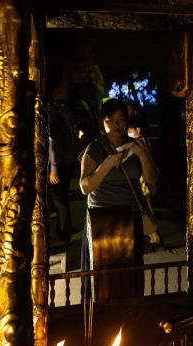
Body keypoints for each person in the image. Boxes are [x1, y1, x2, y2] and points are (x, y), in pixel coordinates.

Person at [80, 99, 158, 300]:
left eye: (121, 119)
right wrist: (106, 164)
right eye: (110, 120)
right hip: (102, 218)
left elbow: (150, 181)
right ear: (102, 122)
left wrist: (142, 153)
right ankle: (101, 311)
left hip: (130, 216)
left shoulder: (135, 146)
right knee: (103, 272)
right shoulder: (95, 148)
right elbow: (85, 187)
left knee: (130, 269)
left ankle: (132, 311)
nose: (116, 125)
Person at [127, 116, 163, 248]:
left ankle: (155, 236)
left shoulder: (139, 143)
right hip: (143, 181)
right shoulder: (143, 141)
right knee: (146, 207)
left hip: (143, 182)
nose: (128, 133)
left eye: (130, 130)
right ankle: (154, 236)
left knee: (146, 208)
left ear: (137, 130)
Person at [48, 100, 79, 242]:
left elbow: (52, 145)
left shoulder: (52, 122)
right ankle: (66, 227)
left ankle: (63, 231)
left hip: (59, 164)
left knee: (59, 200)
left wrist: (53, 168)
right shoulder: (63, 120)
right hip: (67, 162)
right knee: (63, 198)